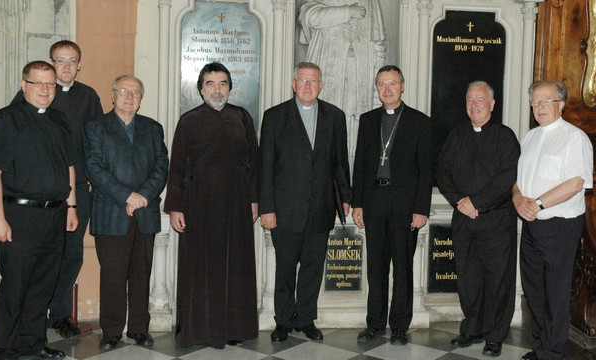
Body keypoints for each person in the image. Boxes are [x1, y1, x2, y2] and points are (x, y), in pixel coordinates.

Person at [0, 61, 78, 360]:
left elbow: (69, 167)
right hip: (19, 216)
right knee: (16, 285)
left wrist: (71, 207)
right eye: (37, 83)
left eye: (50, 84)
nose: (45, 89)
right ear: (23, 85)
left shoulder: (60, 120)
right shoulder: (4, 120)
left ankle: (32, 342)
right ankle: (4, 349)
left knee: (43, 284)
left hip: (55, 213)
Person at [164, 62, 259, 349]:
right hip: (198, 207)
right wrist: (176, 206)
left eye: (223, 84)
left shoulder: (242, 117)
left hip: (236, 204)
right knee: (201, 268)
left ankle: (234, 328)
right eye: (210, 84)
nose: (217, 90)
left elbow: (253, 163)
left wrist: (255, 199)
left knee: (235, 265)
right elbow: (177, 166)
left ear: (230, 87)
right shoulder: (188, 120)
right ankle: (200, 329)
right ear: (200, 88)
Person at [11, 40, 102, 338]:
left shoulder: (89, 96)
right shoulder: (32, 95)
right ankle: (29, 317)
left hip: (78, 190)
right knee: (40, 256)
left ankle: (60, 315)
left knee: (72, 254)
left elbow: (96, 140)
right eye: (60, 61)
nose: (66, 66)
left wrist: (91, 176)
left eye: (72, 60)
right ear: (50, 62)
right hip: (40, 193)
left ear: (79, 64)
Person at [259, 62, 352, 342]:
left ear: (321, 85)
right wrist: (267, 208)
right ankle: (284, 321)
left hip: (321, 208)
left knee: (313, 268)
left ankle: (306, 318)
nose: (308, 86)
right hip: (285, 211)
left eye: (313, 81)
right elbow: (266, 167)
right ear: (293, 84)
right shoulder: (275, 117)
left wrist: (345, 197)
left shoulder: (335, 117)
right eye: (303, 80)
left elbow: (340, 162)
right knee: (286, 270)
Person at [84, 75, 168, 350]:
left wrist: (143, 196)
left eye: (135, 92)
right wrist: (126, 196)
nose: (129, 96)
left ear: (141, 99)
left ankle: (139, 329)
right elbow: (94, 168)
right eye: (123, 91)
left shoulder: (153, 129)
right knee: (113, 275)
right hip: (111, 212)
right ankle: (111, 331)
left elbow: (161, 167)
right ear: (112, 95)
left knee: (142, 274)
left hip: (145, 213)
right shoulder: (96, 127)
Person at [436, 81, 520, 357]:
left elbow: (508, 177)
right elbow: (443, 173)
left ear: (492, 105)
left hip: (496, 222)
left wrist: (477, 202)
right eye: (470, 100)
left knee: (497, 281)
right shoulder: (457, 135)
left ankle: (494, 336)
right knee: (468, 280)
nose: (474, 105)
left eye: (480, 100)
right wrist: (462, 202)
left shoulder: (505, 137)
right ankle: (472, 328)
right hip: (464, 220)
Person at [351, 65, 431, 345]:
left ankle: (399, 325)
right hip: (374, 201)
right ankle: (375, 322)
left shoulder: (420, 121)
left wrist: (421, 209)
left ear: (402, 86)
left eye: (392, 84)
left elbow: (425, 169)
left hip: (405, 205)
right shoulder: (368, 119)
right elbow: (360, 163)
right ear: (377, 88)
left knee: (403, 267)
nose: (387, 90)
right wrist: (357, 202)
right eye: (382, 85)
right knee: (376, 267)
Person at [513, 81, 593, 360]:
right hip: (532, 224)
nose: (539, 107)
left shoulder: (575, 138)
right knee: (534, 289)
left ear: (561, 104)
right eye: (535, 103)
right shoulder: (530, 137)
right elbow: (519, 182)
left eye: (546, 101)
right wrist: (518, 200)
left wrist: (537, 203)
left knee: (555, 291)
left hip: (560, 225)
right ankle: (541, 347)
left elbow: (575, 183)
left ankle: (555, 351)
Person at [298, 0, 387, 164]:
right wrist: (348, 12)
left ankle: (351, 179)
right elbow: (309, 16)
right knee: (327, 128)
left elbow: (378, 44)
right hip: (330, 73)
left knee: (356, 129)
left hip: (360, 76)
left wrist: (377, 86)